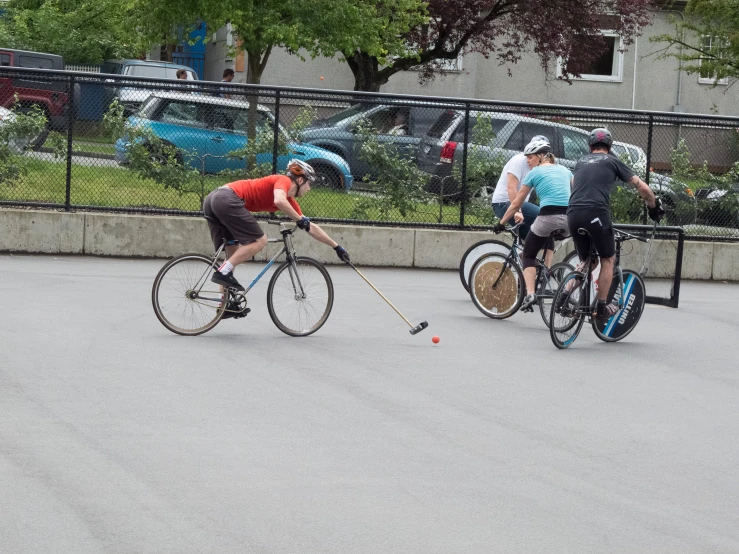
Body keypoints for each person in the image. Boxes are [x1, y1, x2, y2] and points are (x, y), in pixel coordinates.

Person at [203, 159, 351, 296]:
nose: (309, 188)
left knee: (232, 256)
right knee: (260, 241)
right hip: (226, 199)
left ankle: (224, 305)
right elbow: (279, 200)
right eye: (309, 183)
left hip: (214, 199)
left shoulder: (290, 201)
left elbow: (310, 226)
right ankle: (223, 272)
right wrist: (299, 220)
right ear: (300, 180)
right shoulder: (284, 180)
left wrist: (336, 247)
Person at [565, 128, 663, 319]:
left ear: (590, 146)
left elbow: (573, 183)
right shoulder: (612, 161)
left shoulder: (580, 162)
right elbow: (641, 187)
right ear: (609, 147)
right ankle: (602, 307)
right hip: (596, 213)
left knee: (587, 262)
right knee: (607, 259)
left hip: (573, 212)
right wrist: (653, 205)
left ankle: (563, 295)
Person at [493, 139, 572, 310]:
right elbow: (577, 193)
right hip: (570, 220)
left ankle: (530, 295)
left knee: (528, 254)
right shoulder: (566, 171)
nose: (527, 160)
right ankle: (547, 271)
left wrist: (501, 223)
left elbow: (515, 204)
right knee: (546, 234)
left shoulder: (534, 174)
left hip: (548, 218)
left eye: (530, 157)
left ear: (541, 156)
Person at [491, 134, 552, 242]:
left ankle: (523, 256)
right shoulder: (518, 161)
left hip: (518, 204)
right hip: (504, 203)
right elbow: (511, 187)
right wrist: (518, 211)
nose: (528, 159)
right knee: (542, 215)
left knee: (538, 239)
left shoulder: (537, 167)